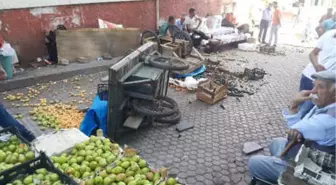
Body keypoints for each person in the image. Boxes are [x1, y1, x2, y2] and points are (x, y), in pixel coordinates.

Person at [248, 70, 336, 183]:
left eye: (320, 87)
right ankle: (276, 168)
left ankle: (282, 175)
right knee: (277, 142)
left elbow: (293, 129)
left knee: (254, 162)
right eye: (314, 85)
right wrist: (298, 131)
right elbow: (298, 128)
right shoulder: (326, 104)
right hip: (311, 154)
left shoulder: (328, 120)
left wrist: (294, 104)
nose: (313, 91)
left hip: (315, 170)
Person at [299, 29, 336, 116]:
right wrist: (316, 66)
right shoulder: (329, 34)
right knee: (303, 109)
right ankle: (296, 126)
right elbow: (312, 53)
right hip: (310, 77)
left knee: (318, 112)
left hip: (329, 84)